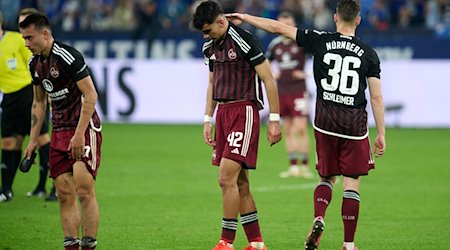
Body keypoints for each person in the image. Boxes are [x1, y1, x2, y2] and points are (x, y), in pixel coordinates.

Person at [226, 0, 386, 249]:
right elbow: (376, 97)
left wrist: (246, 18)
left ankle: (319, 217)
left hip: (325, 121)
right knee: (351, 182)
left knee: (326, 178)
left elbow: (278, 28)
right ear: (358, 20)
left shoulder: (320, 39)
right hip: (354, 125)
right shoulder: (369, 53)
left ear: (335, 18)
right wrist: (381, 133)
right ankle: (349, 244)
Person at [192, 1, 282, 250]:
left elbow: (268, 79)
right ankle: (256, 242)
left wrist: (274, 120)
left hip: (244, 111)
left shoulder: (245, 40)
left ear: (222, 22)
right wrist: (207, 119)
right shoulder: (209, 46)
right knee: (240, 182)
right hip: (222, 113)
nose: (205, 35)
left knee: (225, 178)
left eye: (208, 30)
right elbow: (212, 83)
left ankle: (226, 241)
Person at [20, 12, 102, 250]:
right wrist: (33, 140)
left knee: (84, 191)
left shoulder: (67, 56)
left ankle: (89, 247)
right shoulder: (34, 64)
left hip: (83, 128)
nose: (26, 44)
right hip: (59, 130)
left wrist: (79, 134)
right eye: (24, 38)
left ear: (45, 35)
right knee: (63, 193)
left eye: (29, 38)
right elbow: (39, 102)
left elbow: (91, 95)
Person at [0, 9, 52, 202]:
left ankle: (47, 185)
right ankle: (6, 190)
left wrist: (43, 92)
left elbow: (35, 64)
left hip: (27, 94)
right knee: (9, 142)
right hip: (9, 98)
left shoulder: (17, 40)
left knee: (42, 138)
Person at [266, 11, 313, 179]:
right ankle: (293, 167)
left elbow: (319, 56)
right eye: (281, 23)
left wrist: (306, 73)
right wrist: (272, 74)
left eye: (288, 22)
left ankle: (305, 166)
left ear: (293, 24)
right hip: (282, 90)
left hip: (299, 90)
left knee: (300, 128)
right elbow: (265, 63)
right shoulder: (275, 44)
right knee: (288, 129)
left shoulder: (301, 41)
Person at [18, 7, 58, 202]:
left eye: (28, 35)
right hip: (30, 95)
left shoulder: (58, 55)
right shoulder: (33, 59)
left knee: (46, 140)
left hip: (45, 99)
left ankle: (51, 186)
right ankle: (46, 186)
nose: (25, 41)